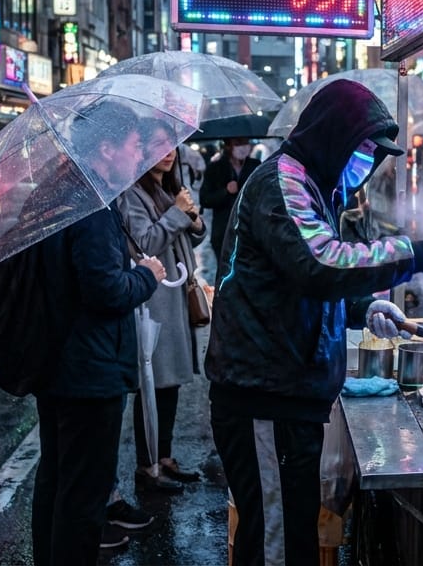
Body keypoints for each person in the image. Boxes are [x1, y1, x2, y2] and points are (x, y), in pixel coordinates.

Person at [206, 79, 423, 565]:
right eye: (363, 150)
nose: (365, 164)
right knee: (276, 546)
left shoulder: (315, 186)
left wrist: (364, 307)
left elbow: (300, 284)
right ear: (333, 136)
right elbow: (320, 264)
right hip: (263, 396)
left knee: (293, 537)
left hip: (290, 395)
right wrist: (420, 255)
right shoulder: (280, 183)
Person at [29, 101, 166, 566]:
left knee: (57, 478)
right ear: (106, 148)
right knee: (83, 496)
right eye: (133, 145)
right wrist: (145, 275)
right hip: (89, 371)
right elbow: (105, 291)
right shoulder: (89, 205)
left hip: (57, 364)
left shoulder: (58, 192)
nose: (138, 155)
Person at [117, 121, 208, 493]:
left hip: (175, 291)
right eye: (159, 146)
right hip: (154, 297)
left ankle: (164, 457)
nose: (168, 152)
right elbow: (146, 241)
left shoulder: (165, 187)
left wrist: (193, 217)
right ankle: (148, 465)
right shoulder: (131, 193)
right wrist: (177, 214)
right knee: (151, 383)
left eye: (172, 146)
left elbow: (193, 234)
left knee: (169, 384)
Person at [199, 136, 260, 266]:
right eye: (238, 143)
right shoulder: (215, 168)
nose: (243, 147)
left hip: (251, 232)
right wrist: (225, 191)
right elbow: (205, 199)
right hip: (223, 233)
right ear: (228, 145)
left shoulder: (255, 166)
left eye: (245, 142)